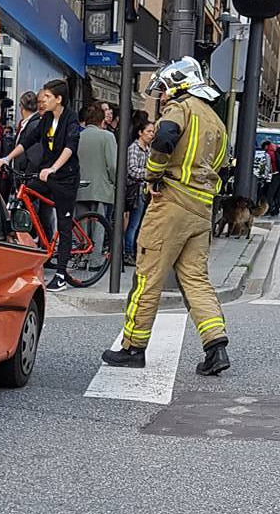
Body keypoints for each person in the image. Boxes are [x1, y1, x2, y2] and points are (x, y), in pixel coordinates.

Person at [102, 57, 231, 376]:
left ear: (178, 84)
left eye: (164, 90)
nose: (162, 97)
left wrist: (153, 175)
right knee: (196, 279)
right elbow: (221, 166)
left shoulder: (180, 108)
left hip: (171, 204)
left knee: (147, 275)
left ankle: (133, 347)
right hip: (202, 210)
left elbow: (164, 138)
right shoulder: (216, 121)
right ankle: (216, 346)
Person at [0, 79, 81, 292]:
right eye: (41, 99)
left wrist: (53, 168)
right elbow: (28, 141)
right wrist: (7, 158)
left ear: (59, 99)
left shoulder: (71, 119)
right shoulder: (45, 120)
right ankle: (32, 247)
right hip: (45, 174)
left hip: (65, 178)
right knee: (23, 196)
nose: (41, 103)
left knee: (64, 223)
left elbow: (70, 148)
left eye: (47, 98)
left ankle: (61, 275)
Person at [76, 103, 117, 259]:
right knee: (99, 225)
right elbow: (113, 165)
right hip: (100, 188)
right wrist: (114, 182)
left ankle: (81, 257)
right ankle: (94, 260)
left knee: (81, 225)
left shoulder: (78, 135)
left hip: (79, 188)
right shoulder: (107, 136)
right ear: (102, 121)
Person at [124, 119, 155, 265]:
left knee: (141, 223)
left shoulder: (148, 149)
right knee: (134, 223)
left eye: (153, 131)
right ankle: (128, 252)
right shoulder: (134, 148)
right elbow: (132, 170)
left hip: (144, 190)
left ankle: (135, 252)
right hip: (136, 190)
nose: (151, 134)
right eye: (148, 131)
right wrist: (149, 173)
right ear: (140, 133)